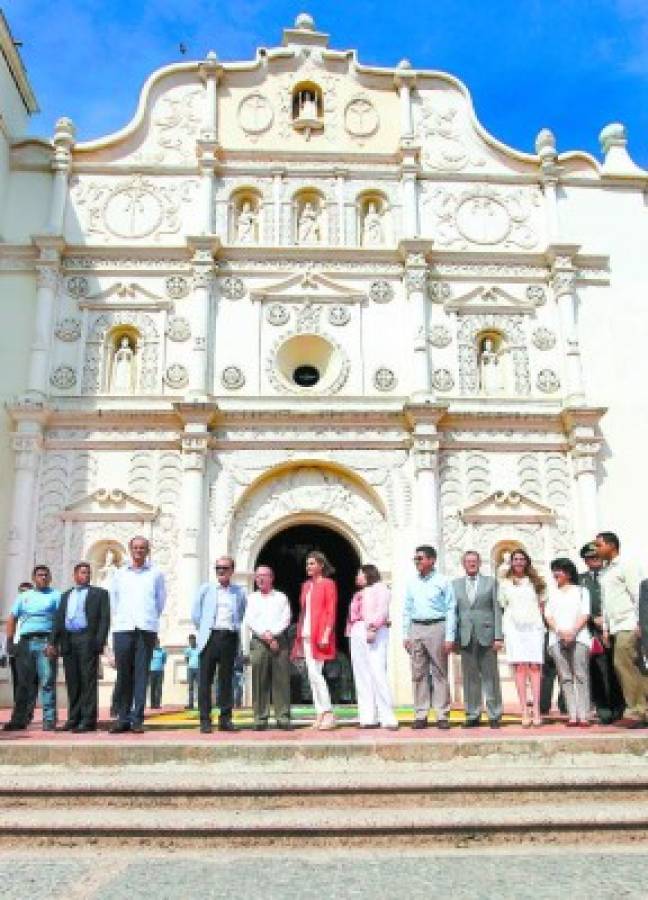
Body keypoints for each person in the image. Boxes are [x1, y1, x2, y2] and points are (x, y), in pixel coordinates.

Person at [109, 536, 166, 734]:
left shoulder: (156, 574)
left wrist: (148, 618)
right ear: (130, 549)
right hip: (123, 627)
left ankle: (137, 719)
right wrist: (123, 618)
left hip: (145, 628)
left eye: (142, 548)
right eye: (135, 547)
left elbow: (160, 601)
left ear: (147, 550)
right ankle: (122, 718)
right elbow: (114, 601)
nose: (139, 551)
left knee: (141, 674)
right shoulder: (119, 574)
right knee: (124, 674)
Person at [49, 561, 110, 732]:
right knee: (73, 681)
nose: (86, 575)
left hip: (87, 639)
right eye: (83, 572)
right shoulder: (66, 595)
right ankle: (73, 718)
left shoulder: (100, 594)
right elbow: (59, 620)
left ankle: (88, 720)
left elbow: (105, 620)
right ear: (75, 575)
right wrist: (53, 642)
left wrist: (99, 642)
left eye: (88, 572)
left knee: (87, 681)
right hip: (68, 640)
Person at [595, 531, 647, 728]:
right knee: (628, 666)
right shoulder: (607, 571)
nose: (597, 550)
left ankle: (638, 710)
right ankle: (640, 709)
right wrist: (606, 629)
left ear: (611, 545)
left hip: (629, 623)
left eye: (599, 545)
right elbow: (606, 603)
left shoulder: (628, 564)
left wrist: (640, 623)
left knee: (624, 665)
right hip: (616, 626)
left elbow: (638, 594)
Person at [403, 545, 456, 730]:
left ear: (432, 560)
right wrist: (406, 634)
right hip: (417, 627)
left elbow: (451, 609)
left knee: (440, 672)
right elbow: (407, 609)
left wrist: (450, 636)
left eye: (420, 558)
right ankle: (421, 713)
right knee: (418, 673)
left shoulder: (443, 581)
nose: (417, 561)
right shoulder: (412, 582)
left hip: (437, 626)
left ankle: (442, 714)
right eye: (415, 558)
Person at [192, 556, 246, 734]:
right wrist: (205, 631)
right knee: (205, 681)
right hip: (210, 637)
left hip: (229, 637)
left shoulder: (239, 592)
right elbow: (196, 614)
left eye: (224, 568)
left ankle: (225, 719)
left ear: (232, 570)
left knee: (226, 681)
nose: (221, 571)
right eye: (218, 568)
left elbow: (241, 612)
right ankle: (205, 720)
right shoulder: (206, 589)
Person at [3, 566, 60, 732]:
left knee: (47, 681)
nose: (42, 577)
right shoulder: (24, 596)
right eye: (39, 575)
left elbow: (59, 621)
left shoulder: (56, 596)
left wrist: (54, 643)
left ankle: (49, 719)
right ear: (34, 578)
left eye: (45, 575)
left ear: (49, 578)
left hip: (46, 642)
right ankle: (19, 719)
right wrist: (9, 641)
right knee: (23, 683)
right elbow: (12, 618)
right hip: (25, 642)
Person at [452, 550, 503, 728]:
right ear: (463, 564)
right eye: (468, 561)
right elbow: (453, 613)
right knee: (470, 677)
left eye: (474, 561)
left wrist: (498, 636)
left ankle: (494, 714)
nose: (472, 564)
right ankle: (472, 714)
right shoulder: (455, 585)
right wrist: (454, 637)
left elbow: (497, 610)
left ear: (480, 563)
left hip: (487, 634)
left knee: (491, 676)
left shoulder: (491, 582)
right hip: (465, 635)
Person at [346, 564, 398, 730]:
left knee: (377, 672)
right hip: (357, 631)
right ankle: (368, 717)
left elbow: (382, 611)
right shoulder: (359, 593)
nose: (357, 577)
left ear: (368, 574)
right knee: (362, 675)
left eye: (359, 574)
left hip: (374, 631)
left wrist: (373, 627)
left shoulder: (381, 589)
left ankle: (388, 718)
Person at [291, 551, 338, 731]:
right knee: (311, 675)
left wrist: (326, 632)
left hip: (321, 633)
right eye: (307, 564)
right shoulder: (306, 585)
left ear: (321, 565)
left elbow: (330, 610)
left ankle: (328, 713)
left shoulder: (328, 584)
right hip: (306, 633)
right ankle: (319, 713)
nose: (308, 566)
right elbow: (304, 610)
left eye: (311, 563)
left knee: (317, 674)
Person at [499, 548, 546, 727]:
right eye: (515, 559)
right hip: (514, 628)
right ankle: (524, 710)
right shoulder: (504, 583)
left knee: (535, 667)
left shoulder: (536, 582)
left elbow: (542, 605)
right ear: (511, 562)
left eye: (521, 559)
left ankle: (536, 708)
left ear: (527, 561)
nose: (518, 562)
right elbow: (502, 605)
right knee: (519, 667)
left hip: (533, 627)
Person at [580, 541, 624, 724]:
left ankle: (619, 706)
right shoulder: (580, 579)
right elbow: (578, 603)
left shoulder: (611, 573)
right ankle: (603, 708)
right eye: (590, 558)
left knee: (618, 668)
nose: (594, 560)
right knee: (597, 671)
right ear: (585, 561)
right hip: (592, 631)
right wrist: (592, 618)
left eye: (597, 556)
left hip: (615, 626)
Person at [244, 565, 292, 731]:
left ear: (272, 578)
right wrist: (266, 635)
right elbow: (250, 619)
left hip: (279, 641)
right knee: (259, 681)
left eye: (264, 576)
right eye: (257, 576)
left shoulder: (281, 597)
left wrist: (273, 634)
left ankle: (283, 717)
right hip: (259, 641)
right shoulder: (251, 598)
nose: (260, 579)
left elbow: (286, 618)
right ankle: (260, 718)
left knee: (282, 681)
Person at [545, 558, 592, 727]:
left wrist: (572, 632)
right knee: (565, 677)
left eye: (559, 570)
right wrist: (559, 631)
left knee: (580, 675)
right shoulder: (552, 592)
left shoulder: (581, 591)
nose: (556, 573)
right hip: (557, 638)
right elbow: (548, 616)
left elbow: (585, 614)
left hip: (579, 637)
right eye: (554, 570)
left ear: (569, 572)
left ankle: (584, 714)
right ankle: (572, 715)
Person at [148, 638, 167, 709]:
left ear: (159, 643)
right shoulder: (150, 651)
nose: (156, 644)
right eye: (155, 642)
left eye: (157, 642)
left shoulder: (163, 651)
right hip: (152, 671)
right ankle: (152, 704)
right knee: (152, 688)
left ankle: (158, 704)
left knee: (159, 688)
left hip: (160, 671)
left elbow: (164, 661)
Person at [184, 634, 200, 709]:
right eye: (190, 640)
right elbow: (186, 659)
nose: (191, 641)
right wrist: (190, 665)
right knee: (190, 687)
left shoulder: (199, 648)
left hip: (198, 669)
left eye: (192, 640)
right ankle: (191, 704)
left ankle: (201, 704)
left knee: (200, 686)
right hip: (190, 669)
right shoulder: (187, 649)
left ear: (195, 640)